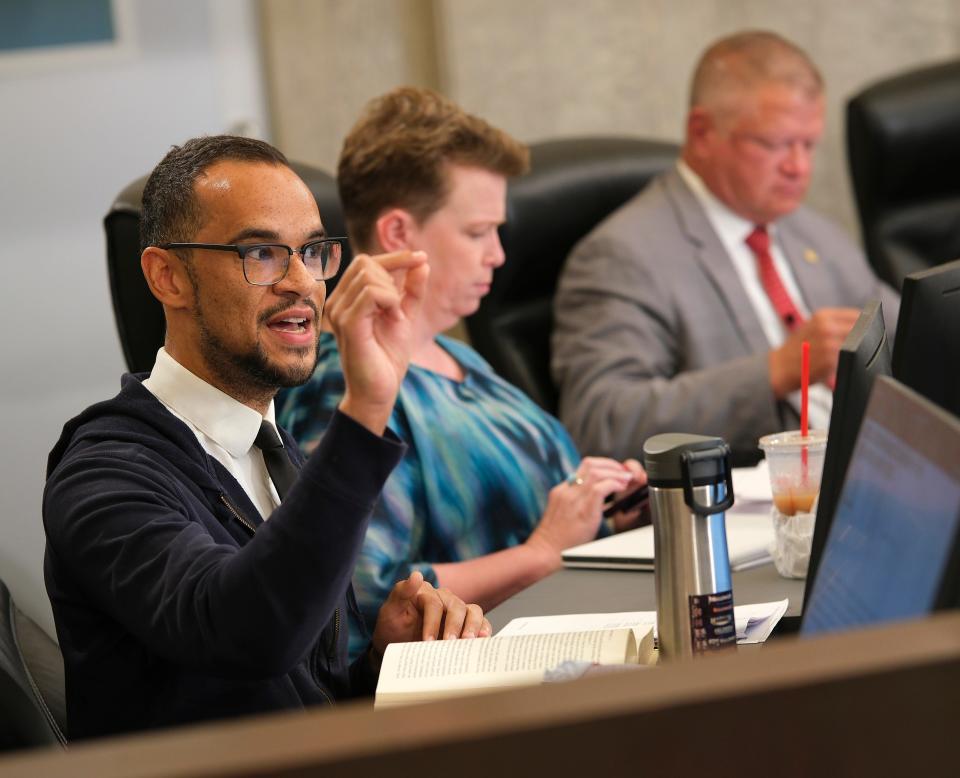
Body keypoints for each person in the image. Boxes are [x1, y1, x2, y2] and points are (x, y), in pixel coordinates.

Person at [42, 135, 489, 740]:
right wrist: (365, 411)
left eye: (312, 251)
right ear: (167, 276)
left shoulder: (274, 450)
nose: (301, 282)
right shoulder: (103, 475)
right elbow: (243, 634)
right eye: (262, 254)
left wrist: (385, 658)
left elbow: (293, 708)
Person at [278, 87, 647, 660]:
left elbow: (540, 518)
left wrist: (603, 512)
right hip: (482, 681)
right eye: (478, 233)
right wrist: (542, 553)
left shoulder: (460, 358)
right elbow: (362, 591)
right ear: (399, 233)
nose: (498, 254)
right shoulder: (346, 383)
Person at [552, 31, 900, 465]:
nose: (798, 167)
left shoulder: (810, 230)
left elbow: (906, 332)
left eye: (808, 144)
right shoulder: (621, 256)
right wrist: (775, 370)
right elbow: (600, 422)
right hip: (742, 504)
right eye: (773, 144)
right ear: (702, 132)